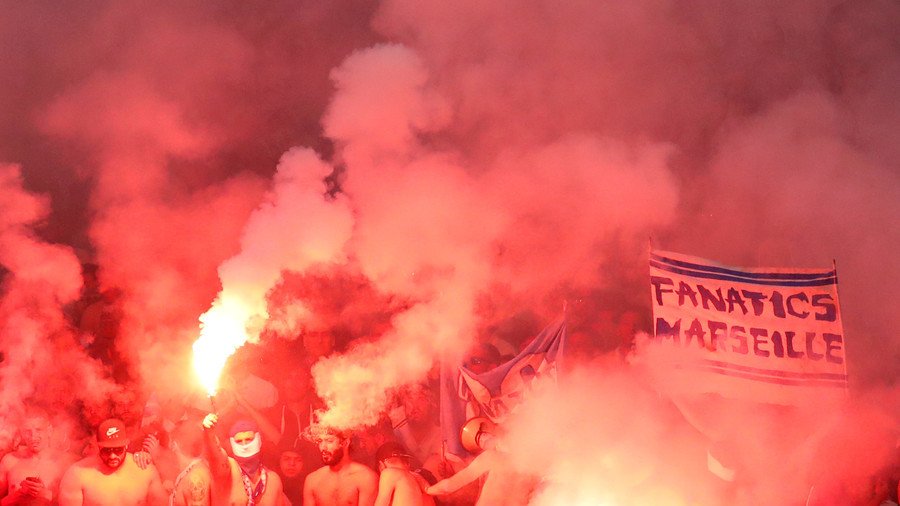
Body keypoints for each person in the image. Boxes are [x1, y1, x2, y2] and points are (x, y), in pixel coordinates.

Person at [58, 418, 165, 506]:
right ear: (99, 447)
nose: (112, 456)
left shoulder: (144, 470)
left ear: (126, 445)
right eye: (107, 450)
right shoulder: (77, 475)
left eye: (118, 449)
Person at [201, 414, 285, 506]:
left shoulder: (273, 480)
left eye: (249, 439)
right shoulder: (228, 470)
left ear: (259, 440)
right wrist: (209, 433)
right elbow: (216, 454)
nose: (244, 445)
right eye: (239, 441)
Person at [0, 410, 72, 505]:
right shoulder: (9, 461)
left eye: (38, 430)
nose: (33, 437)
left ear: (49, 431)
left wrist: (46, 495)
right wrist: (19, 494)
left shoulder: (65, 463)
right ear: (22, 433)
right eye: (27, 431)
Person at [303, 428, 377, 506]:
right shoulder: (312, 480)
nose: (323, 447)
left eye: (329, 441)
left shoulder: (366, 478)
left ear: (345, 443)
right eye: (320, 441)